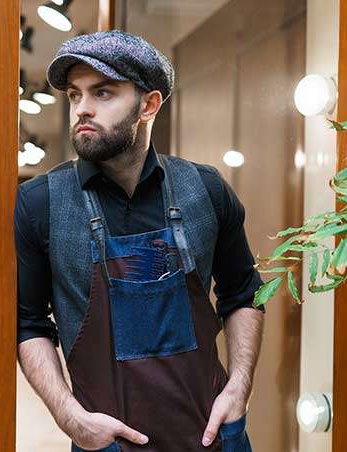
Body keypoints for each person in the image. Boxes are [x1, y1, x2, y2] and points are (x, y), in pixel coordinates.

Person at [15, 31, 265, 452]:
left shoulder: (204, 189)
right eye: (75, 95)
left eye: (103, 93)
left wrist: (239, 390)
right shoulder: (42, 203)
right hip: (106, 444)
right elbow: (28, 325)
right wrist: (70, 418)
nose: (83, 109)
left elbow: (244, 295)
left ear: (148, 105)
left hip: (214, 436)